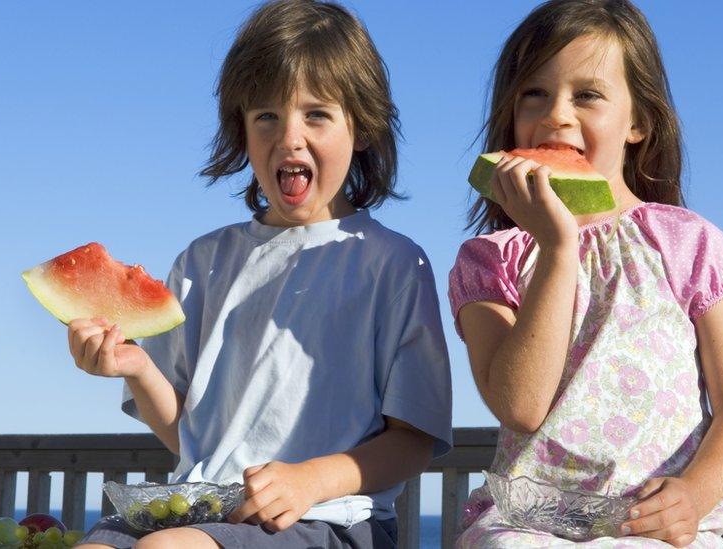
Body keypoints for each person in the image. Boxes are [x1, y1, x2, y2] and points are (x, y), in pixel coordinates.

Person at [68, 1, 453, 548]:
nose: (289, 137)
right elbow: (190, 436)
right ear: (242, 129)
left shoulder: (392, 264)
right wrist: (137, 368)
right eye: (266, 116)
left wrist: (309, 479)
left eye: (316, 114)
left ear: (362, 128)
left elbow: (414, 441)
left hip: (332, 520)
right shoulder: (203, 262)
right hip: (201, 506)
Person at [448, 1, 723, 547]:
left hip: (656, 524)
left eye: (587, 95)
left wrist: (694, 493)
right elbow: (521, 407)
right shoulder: (490, 260)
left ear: (638, 121)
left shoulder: (690, 244)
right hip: (529, 523)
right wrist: (556, 247)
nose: (557, 115)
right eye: (534, 93)